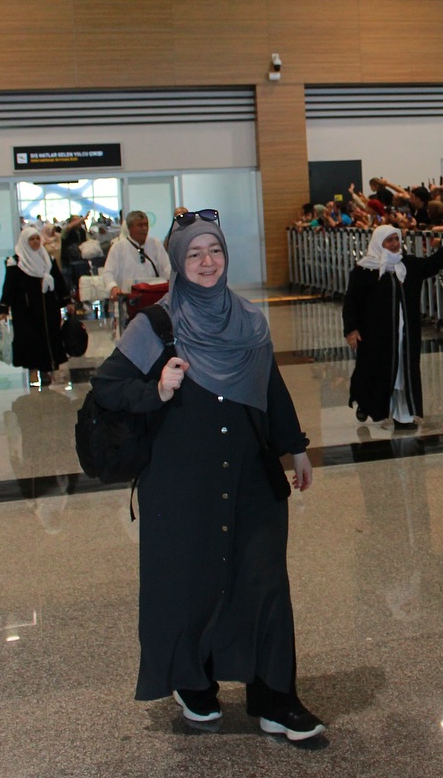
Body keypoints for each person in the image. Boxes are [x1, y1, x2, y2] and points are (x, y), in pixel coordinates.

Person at [90, 213, 323, 739]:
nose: (206, 262)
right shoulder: (157, 324)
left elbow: (271, 387)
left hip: (248, 473)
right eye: (193, 253)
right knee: (190, 579)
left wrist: (295, 448)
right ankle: (192, 678)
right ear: (177, 260)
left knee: (263, 583)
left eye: (213, 250)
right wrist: (158, 391)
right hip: (181, 481)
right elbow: (107, 386)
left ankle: (274, 697)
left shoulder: (250, 321)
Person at [344, 223, 443, 430]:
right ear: (378, 243)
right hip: (375, 335)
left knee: (403, 373)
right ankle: (366, 403)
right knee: (372, 370)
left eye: (396, 240)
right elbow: (352, 302)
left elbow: (434, 263)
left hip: (406, 334)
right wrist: (351, 330)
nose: (393, 244)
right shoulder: (364, 270)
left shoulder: (407, 265)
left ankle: (404, 416)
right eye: (388, 240)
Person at [0, 227, 73, 387]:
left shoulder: (47, 259)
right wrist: (4, 308)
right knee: (30, 339)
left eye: (37, 239)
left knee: (49, 336)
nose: (35, 242)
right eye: (31, 240)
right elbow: (9, 286)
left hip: (48, 308)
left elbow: (58, 281)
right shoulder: (16, 262)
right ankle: (33, 369)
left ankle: (47, 369)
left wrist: (67, 300)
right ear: (25, 242)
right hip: (26, 309)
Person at [103, 210, 170, 300]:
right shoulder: (118, 247)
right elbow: (108, 273)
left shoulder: (155, 244)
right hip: (128, 299)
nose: (144, 229)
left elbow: (167, 269)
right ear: (130, 228)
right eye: (140, 225)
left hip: (153, 297)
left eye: (146, 225)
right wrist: (113, 287)